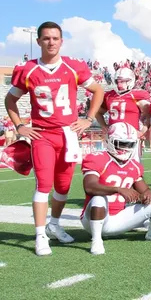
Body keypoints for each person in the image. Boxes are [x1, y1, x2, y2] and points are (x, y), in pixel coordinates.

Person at [5, 21, 105, 256]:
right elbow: (10, 100)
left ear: (61, 41)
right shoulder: (27, 70)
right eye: (46, 38)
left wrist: (88, 119)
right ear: (38, 41)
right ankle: (40, 235)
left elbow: (98, 90)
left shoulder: (73, 66)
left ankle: (54, 224)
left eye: (55, 38)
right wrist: (20, 126)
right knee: (43, 184)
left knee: (63, 187)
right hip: (43, 135)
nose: (51, 42)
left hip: (68, 134)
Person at [81, 122, 151, 256]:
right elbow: (89, 187)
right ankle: (96, 240)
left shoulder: (134, 165)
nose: (125, 148)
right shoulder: (97, 158)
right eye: (121, 143)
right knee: (98, 199)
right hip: (92, 220)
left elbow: (145, 189)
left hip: (119, 219)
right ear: (109, 140)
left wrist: (147, 195)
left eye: (129, 144)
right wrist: (118, 189)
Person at [96, 67, 151, 161]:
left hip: (131, 137)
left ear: (130, 81)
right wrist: (103, 126)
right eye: (118, 81)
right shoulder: (109, 95)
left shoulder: (136, 95)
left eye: (123, 81)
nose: (120, 84)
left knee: (134, 165)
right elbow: (98, 112)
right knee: (112, 166)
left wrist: (142, 131)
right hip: (113, 136)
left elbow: (150, 114)